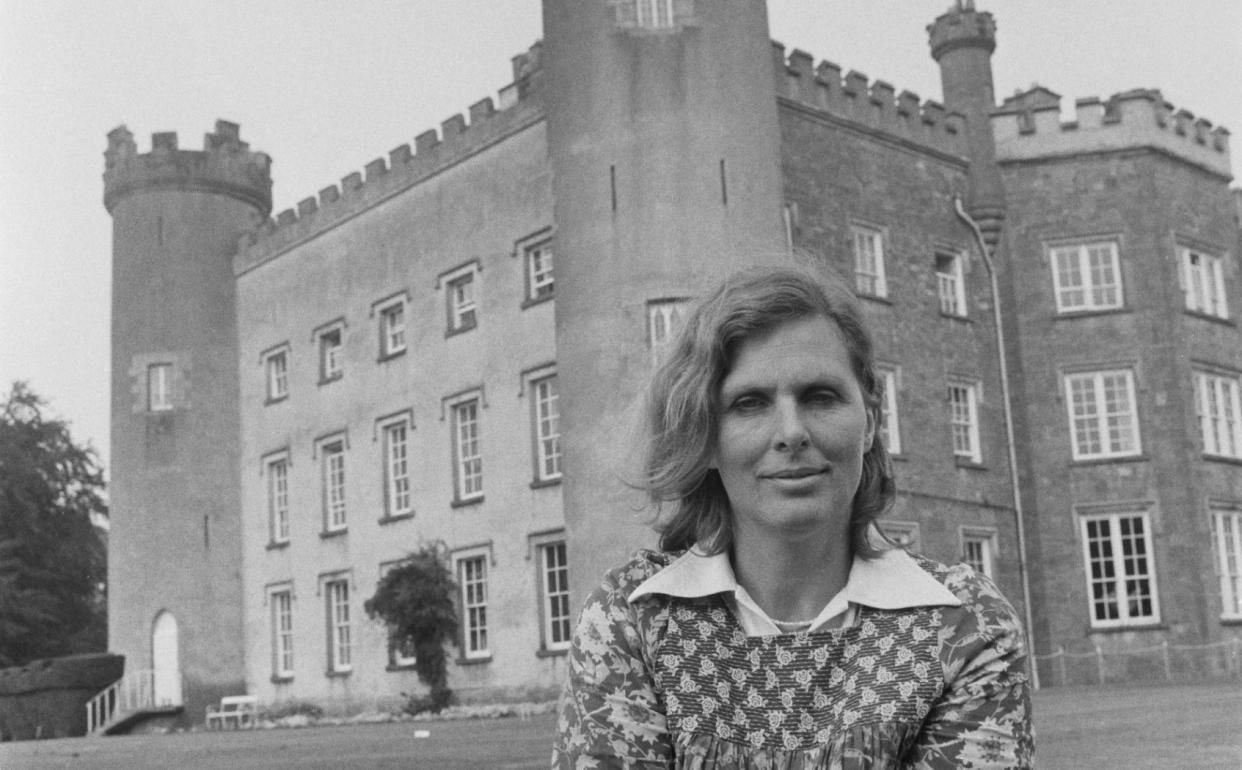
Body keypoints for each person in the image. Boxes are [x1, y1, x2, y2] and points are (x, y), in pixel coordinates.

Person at [552, 266, 1033, 768]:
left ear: (869, 423)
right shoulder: (635, 620)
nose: (790, 432)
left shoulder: (964, 627)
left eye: (820, 397)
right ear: (707, 438)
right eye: (749, 404)